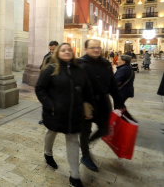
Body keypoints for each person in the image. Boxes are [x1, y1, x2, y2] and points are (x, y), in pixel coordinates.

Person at [36, 43, 93, 187]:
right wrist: (51, 105)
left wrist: (88, 107)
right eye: (63, 50)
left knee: (73, 139)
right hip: (56, 112)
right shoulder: (52, 69)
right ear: (58, 53)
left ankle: (75, 176)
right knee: (51, 132)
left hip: (74, 112)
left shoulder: (79, 69)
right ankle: (48, 153)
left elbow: (87, 89)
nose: (67, 52)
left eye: (69, 50)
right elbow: (40, 88)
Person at [79, 39, 126, 172]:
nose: (96, 50)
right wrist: (80, 105)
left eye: (98, 47)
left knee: (105, 129)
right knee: (85, 131)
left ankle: (85, 145)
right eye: (92, 47)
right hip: (86, 104)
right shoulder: (80, 64)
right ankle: (85, 155)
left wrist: (120, 103)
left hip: (103, 103)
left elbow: (112, 85)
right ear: (86, 49)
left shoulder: (105, 63)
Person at [39, 41, 59, 125]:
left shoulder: (60, 57)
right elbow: (42, 67)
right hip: (48, 82)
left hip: (57, 83)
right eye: (50, 49)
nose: (52, 51)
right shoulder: (47, 56)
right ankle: (44, 118)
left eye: (53, 49)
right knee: (46, 102)